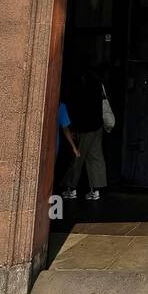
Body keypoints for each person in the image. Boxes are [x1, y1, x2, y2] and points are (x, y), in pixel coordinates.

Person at [62, 65, 108, 202]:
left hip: (86, 127)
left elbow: (78, 107)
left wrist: (74, 128)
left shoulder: (81, 84)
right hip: (97, 125)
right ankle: (95, 190)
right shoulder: (98, 84)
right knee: (95, 157)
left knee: (78, 155)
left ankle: (71, 188)